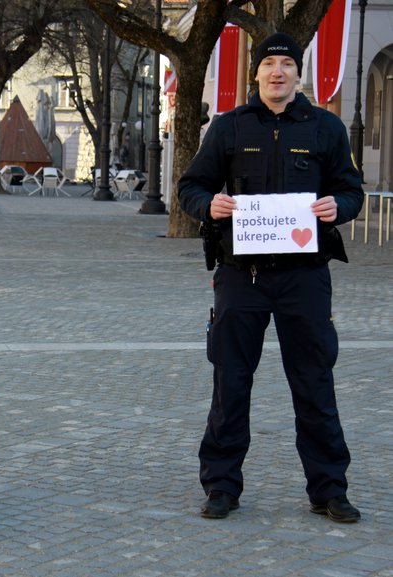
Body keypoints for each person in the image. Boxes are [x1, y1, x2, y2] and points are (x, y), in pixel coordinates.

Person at [178, 33, 363, 523]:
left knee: (314, 381)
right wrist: (208, 206)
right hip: (242, 276)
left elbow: (350, 189)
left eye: (286, 64)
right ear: (255, 74)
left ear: (298, 75)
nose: (277, 72)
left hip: (305, 277)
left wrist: (337, 206)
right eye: (269, 64)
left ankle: (329, 489)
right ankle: (221, 485)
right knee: (231, 382)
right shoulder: (229, 127)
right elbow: (191, 186)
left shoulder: (325, 128)